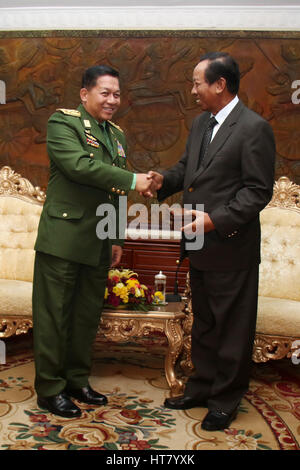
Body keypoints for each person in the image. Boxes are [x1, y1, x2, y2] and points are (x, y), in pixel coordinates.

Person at [147, 52, 275, 431]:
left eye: (197, 82)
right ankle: (201, 387)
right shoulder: (201, 122)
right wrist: (161, 182)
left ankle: (225, 399)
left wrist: (214, 221)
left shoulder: (254, 128)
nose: (192, 90)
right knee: (203, 323)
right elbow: (189, 169)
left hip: (231, 245)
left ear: (220, 84)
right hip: (198, 244)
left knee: (232, 327)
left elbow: (257, 192)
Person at [33, 65, 153, 418]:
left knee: (85, 316)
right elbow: (79, 167)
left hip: (99, 240)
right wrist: (134, 179)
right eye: (105, 92)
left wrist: (115, 236)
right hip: (64, 238)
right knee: (55, 315)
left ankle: (76, 379)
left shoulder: (117, 136)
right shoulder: (63, 124)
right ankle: (50, 389)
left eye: (116, 94)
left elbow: (115, 190)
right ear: (85, 94)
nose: (112, 100)